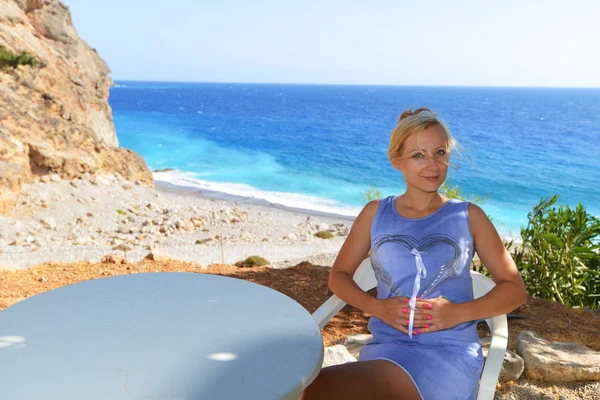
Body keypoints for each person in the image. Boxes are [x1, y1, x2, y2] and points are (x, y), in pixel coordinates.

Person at [302, 107, 527, 400]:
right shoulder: (375, 214)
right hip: (386, 350)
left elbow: (514, 290)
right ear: (397, 160)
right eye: (418, 155)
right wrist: (377, 307)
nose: (432, 165)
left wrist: (457, 313)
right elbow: (339, 276)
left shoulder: (469, 216)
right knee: (306, 391)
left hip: (449, 355)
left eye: (440, 153)